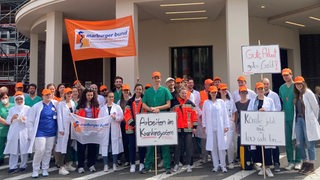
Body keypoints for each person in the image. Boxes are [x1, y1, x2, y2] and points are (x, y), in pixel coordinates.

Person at [141, 71, 173, 174]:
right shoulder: (148, 91)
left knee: (165, 143)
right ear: (152, 79)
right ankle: (147, 166)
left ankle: (167, 166)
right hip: (151, 120)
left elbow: (168, 104)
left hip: (162, 119)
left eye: (158, 77)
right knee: (150, 143)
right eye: (155, 77)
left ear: (160, 78)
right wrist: (151, 109)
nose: (156, 79)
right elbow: (143, 104)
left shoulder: (165, 90)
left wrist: (158, 108)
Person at [27, 89, 58, 178]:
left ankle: (45, 169)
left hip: (51, 132)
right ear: (42, 96)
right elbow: (30, 121)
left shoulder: (55, 104)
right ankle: (35, 170)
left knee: (48, 151)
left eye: (49, 94)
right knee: (39, 150)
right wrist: (30, 132)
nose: (48, 96)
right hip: (40, 132)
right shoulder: (36, 106)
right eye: (46, 95)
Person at [292, 76, 320, 174]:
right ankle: (305, 162)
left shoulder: (308, 93)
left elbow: (315, 107)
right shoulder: (296, 94)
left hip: (307, 121)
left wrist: (313, 119)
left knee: (309, 143)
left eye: (300, 83)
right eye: (296, 84)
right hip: (298, 120)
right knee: (299, 143)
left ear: (303, 83)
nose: (298, 85)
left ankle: (311, 164)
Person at [248, 82, 276, 177]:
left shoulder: (269, 101)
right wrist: (257, 112)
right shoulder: (252, 101)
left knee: (267, 147)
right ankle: (262, 166)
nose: (260, 90)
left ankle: (267, 167)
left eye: (262, 89)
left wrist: (265, 112)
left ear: (264, 90)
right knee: (259, 147)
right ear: (256, 90)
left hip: (267, 126)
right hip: (256, 127)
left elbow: (274, 113)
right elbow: (249, 113)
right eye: (258, 89)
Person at [279, 68, 302, 170]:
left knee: (297, 140)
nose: (285, 77)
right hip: (286, 117)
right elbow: (283, 102)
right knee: (288, 140)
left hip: (296, 117)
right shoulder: (281, 88)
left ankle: (298, 161)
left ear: (291, 75)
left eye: (287, 75)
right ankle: (290, 161)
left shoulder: (296, 86)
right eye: (284, 75)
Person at [203, 85, 229, 173]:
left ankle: (223, 165)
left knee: (221, 147)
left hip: (220, 127)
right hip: (211, 128)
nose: (213, 93)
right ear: (209, 93)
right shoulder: (206, 102)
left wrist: (226, 126)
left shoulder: (221, 102)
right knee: (213, 147)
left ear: (217, 93)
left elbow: (225, 114)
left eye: (215, 92)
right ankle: (215, 165)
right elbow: (204, 115)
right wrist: (204, 126)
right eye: (212, 92)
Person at [171, 87, 198, 173]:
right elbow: (171, 116)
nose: (184, 95)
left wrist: (194, 127)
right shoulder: (174, 104)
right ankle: (176, 164)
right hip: (178, 129)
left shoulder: (191, 104)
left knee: (188, 147)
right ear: (179, 93)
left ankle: (189, 165)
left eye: (185, 93)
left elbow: (194, 116)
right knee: (177, 148)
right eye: (182, 93)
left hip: (188, 129)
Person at [4, 91, 30, 173]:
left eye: (21, 99)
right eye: (17, 99)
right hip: (14, 132)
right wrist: (12, 118)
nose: (19, 101)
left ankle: (23, 165)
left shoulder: (28, 108)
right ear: (15, 100)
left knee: (24, 150)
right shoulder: (12, 109)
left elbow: (31, 121)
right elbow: (8, 121)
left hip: (24, 131)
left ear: (23, 99)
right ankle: (13, 166)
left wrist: (24, 119)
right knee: (13, 150)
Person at [76, 88, 100, 174]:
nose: (90, 97)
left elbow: (99, 115)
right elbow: (76, 115)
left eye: (91, 95)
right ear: (85, 95)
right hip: (82, 128)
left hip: (93, 128)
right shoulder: (80, 104)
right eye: (88, 95)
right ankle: (81, 166)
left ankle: (91, 164)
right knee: (81, 148)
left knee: (92, 147)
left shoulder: (96, 104)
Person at [124, 84, 147, 173]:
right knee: (132, 146)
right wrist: (132, 122)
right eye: (137, 89)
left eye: (140, 89)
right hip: (131, 127)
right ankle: (132, 164)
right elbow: (126, 113)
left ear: (142, 90)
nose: (138, 90)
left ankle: (141, 163)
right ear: (134, 90)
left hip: (142, 127)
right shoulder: (130, 101)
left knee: (142, 146)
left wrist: (142, 123)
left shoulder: (145, 100)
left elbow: (147, 111)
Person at [99, 91, 124, 172]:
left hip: (114, 130)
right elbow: (99, 120)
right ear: (106, 98)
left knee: (115, 146)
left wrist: (115, 117)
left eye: (112, 97)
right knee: (104, 146)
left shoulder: (117, 107)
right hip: (105, 130)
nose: (111, 98)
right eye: (109, 97)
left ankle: (114, 164)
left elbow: (121, 117)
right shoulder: (102, 108)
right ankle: (105, 164)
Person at [55, 87, 77, 175]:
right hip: (64, 129)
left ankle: (67, 164)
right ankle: (61, 166)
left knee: (68, 146)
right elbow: (59, 117)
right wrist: (61, 129)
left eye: (70, 93)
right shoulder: (61, 104)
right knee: (62, 147)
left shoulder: (73, 103)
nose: (69, 95)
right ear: (64, 94)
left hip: (71, 129)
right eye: (67, 93)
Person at [263, 78, 282, 172]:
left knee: (274, 144)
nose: (265, 86)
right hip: (263, 124)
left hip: (272, 122)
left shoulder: (274, 95)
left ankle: (277, 163)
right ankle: (267, 164)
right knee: (265, 145)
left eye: (267, 84)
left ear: (269, 85)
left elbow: (278, 107)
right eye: (264, 84)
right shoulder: (258, 95)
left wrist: (270, 113)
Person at [217, 83, 237, 169]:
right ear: (219, 91)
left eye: (225, 89)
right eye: (222, 90)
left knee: (229, 143)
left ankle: (230, 161)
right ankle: (221, 162)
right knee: (220, 143)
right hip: (219, 123)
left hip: (229, 123)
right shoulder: (217, 102)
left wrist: (232, 121)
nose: (224, 91)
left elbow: (234, 112)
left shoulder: (230, 101)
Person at [235, 86, 251, 165]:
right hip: (241, 124)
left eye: (245, 92)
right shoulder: (237, 104)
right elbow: (236, 116)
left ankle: (250, 158)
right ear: (239, 93)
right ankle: (241, 158)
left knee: (249, 141)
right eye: (242, 92)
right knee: (240, 141)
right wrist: (236, 126)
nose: (243, 94)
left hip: (249, 125)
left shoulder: (250, 102)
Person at [0, 91, 14, 165]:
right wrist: (7, 122)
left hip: (12, 128)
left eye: (6, 97)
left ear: (9, 98)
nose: (4, 99)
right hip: (2, 128)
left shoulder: (13, 105)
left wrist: (11, 122)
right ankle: (1, 158)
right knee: (1, 144)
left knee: (11, 143)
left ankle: (12, 158)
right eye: (3, 98)